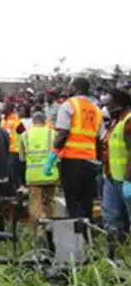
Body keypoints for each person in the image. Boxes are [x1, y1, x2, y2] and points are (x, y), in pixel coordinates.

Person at [44, 77, 104, 221]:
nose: (68, 89)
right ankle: (87, 236)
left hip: (72, 161)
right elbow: (98, 139)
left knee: (73, 202)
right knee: (86, 203)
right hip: (90, 161)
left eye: (70, 87)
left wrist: (52, 156)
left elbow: (62, 134)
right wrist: (99, 162)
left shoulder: (68, 105)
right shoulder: (96, 110)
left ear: (75, 88)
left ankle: (77, 239)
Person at [19, 111, 59, 227]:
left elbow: (21, 159)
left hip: (33, 176)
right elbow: (59, 156)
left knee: (35, 203)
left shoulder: (25, 135)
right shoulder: (53, 134)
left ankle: (37, 230)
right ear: (45, 121)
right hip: (50, 174)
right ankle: (49, 228)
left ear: (32, 121)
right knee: (49, 202)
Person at [101, 89, 131, 239]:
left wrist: (128, 179)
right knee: (111, 217)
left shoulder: (128, 121)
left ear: (120, 103)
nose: (108, 106)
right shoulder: (115, 121)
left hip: (126, 179)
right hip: (111, 177)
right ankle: (114, 253)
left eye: (111, 103)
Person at [1, 103, 26, 194]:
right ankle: (11, 190)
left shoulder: (17, 121)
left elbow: (24, 135)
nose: (2, 108)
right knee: (9, 172)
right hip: (5, 150)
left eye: (4, 107)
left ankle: (19, 189)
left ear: (10, 109)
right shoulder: (3, 121)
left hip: (15, 150)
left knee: (15, 172)